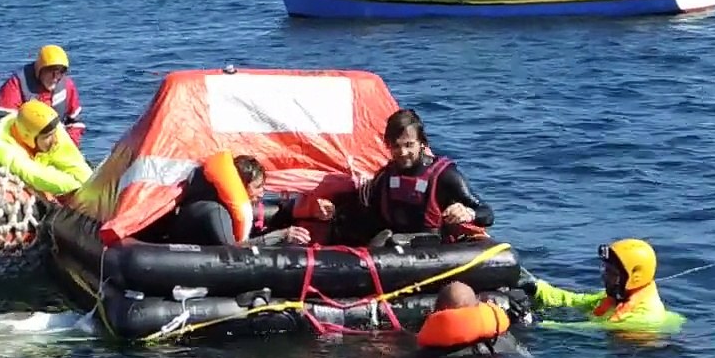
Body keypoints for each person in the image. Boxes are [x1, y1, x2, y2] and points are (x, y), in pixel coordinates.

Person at [357, 109, 493, 243]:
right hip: (394, 249)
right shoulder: (384, 177)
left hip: (434, 251)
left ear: (422, 143)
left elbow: (487, 213)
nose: (403, 152)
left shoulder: (445, 176)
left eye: (409, 145)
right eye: (396, 146)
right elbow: (370, 218)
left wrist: (469, 213)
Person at [166, 150, 335, 247]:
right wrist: (282, 235)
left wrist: (313, 208)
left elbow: (280, 209)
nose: (262, 193)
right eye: (258, 187)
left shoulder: (221, 201)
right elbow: (233, 253)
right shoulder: (215, 211)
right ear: (241, 185)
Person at [518, 238, 676, 330]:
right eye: (605, 269)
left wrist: (535, 322)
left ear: (633, 277)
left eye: (611, 273)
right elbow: (576, 301)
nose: (604, 276)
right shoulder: (619, 296)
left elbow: (589, 329)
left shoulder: (643, 318)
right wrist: (536, 287)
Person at [0, 100, 93, 199]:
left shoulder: (47, 126)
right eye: (48, 137)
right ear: (28, 137)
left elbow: (75, 163)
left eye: (54, 133)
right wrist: (81, 189)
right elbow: (38, 176)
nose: (55, 140)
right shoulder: (2, 148)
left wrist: (95, 187)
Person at [0, 44, 85, 146]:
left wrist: (69, 146)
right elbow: (4, 124)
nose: (55, 77)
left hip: (55, 146)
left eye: (60, 72)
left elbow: (75, 122)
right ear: (39, 70)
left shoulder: (67, 86)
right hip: (22, 145)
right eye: (51, 71)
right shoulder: (16, 84)